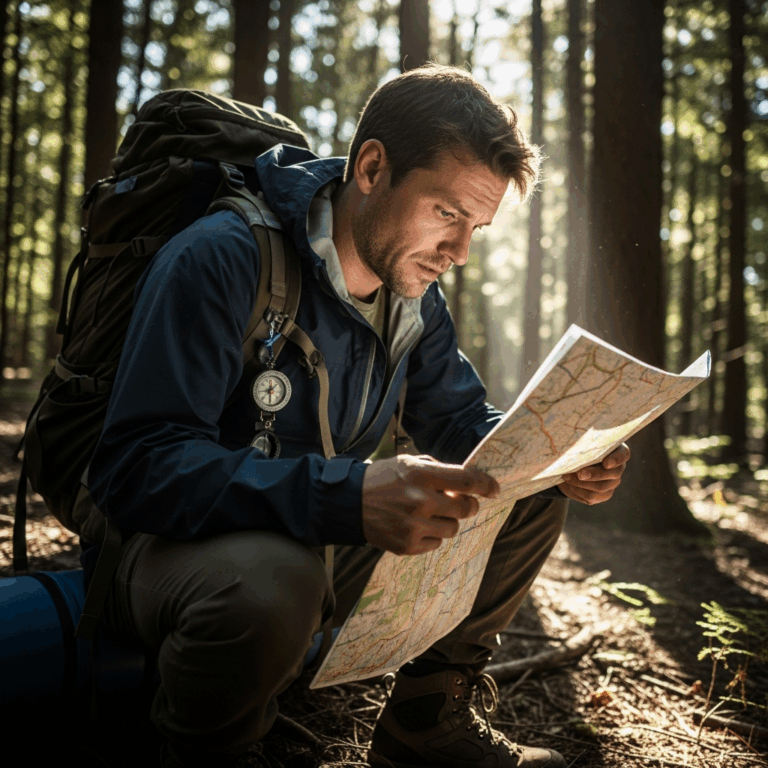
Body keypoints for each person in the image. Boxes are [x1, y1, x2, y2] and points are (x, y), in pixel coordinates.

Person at [85, 64, 630, 768]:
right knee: (273, 582)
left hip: (317, 535)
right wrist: (346, 496)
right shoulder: (223, 257)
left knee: (521, 497)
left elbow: (463, 426)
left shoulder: (414, 299)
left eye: (477, 227)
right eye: (447, 213)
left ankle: (425, 724)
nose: (460, 252)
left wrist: (559, 454)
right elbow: (135, 468)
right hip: (165, 554)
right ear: (372, 167)